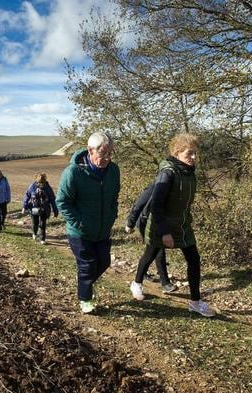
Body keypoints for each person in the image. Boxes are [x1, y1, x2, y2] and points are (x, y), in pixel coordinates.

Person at [129, 133, 215, 317]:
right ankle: (136, 283)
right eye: (189, 154)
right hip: (161, 224)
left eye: (195, 153)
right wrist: (165, 232)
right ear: (177, 153)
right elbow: (157, 205)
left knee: (194, 260)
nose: (193, 158)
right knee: (149, 255)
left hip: (182, 224)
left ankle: (195, 301)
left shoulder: (189, 172)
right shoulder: (167, 173)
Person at [56, 132, 120, 314]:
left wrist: (111, 215)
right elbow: (62, 202)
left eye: (110, 154)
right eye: (103, 154)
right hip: (80, 232)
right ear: (90, 150)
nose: (107, 158)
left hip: (102, 229)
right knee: (87, 265)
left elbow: (114, 196)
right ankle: (85, 299)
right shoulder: (73, 172)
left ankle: (84, 285)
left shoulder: (113, 170)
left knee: (104, 262)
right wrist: (79, 223)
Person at [125, 183, 176, 294]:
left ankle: (147, 275)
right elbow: (138, 205)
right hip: (145, 222)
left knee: (155, 250)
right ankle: (164, 283)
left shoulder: (175, 189)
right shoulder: (156, 186)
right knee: (157, 250)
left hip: (159, 224)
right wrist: (130, 223)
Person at [22, 172, 59, 244]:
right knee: (35, 223)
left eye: (42, 182)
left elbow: (52, 199)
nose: (41, 184)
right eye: (39, 182)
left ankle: (42, 239)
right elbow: (27, 196)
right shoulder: (32, 186)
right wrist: (24, 206)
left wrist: (55, 210)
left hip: (44, 209)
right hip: (34, 208)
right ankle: (34, 233)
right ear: (36, 180)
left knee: (43, 224)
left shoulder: (48, 188)